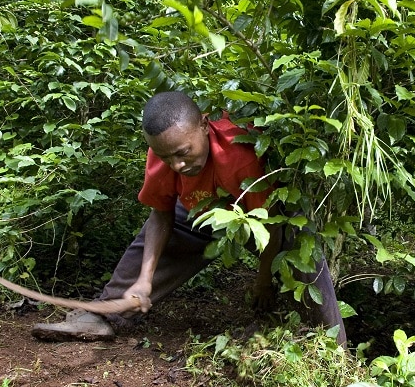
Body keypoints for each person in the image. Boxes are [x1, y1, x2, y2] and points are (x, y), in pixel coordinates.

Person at [30, 91, 345, 343]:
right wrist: (144, 279)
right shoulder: (164, 156)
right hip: (201, 210)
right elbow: (161, 217)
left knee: (302, 251)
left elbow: (271, 225)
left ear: (205, 126)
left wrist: (263, 282)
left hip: (262, 215)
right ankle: (104, 316)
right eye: (167, 157)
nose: (176, 165)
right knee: (161, 240)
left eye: (183, 152)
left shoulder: (240, 156)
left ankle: (333, 346)